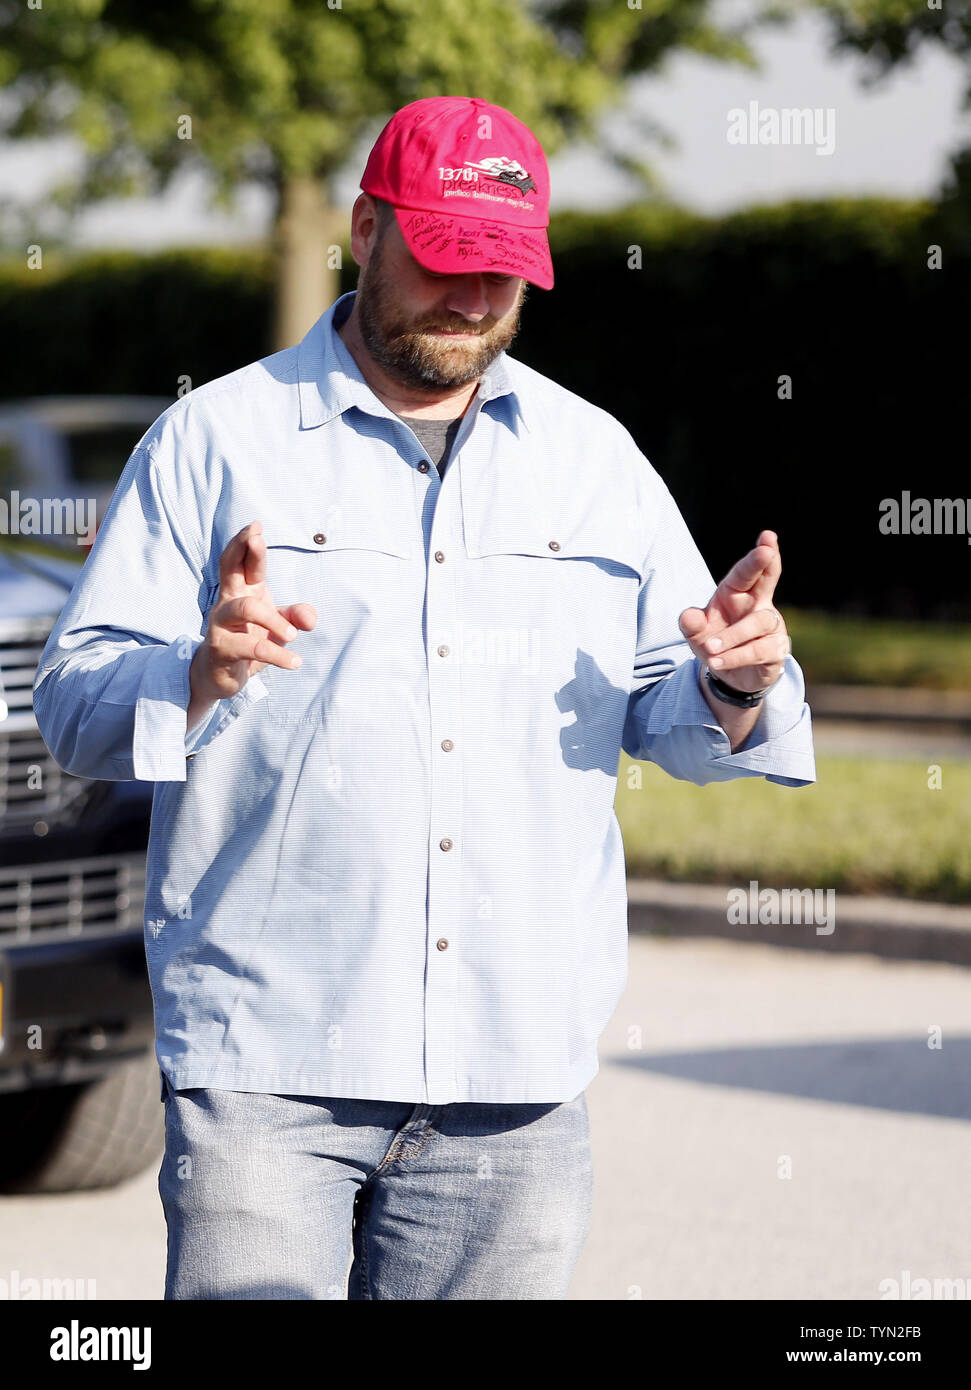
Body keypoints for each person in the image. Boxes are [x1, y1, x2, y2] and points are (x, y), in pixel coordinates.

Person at [33, 95, 815, 1301]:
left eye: (501, 273)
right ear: (364, 230)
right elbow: (75, 708)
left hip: (512, 1083)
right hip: (268, 1066)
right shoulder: (211, 440)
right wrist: (195, 673)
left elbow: (676, 715)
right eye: (447, 261)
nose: (470, 300)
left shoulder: (593, 460)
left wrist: (731, 681)